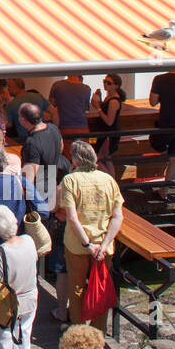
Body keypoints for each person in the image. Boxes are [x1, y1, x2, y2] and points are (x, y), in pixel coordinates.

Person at [61, 140, 123, 331]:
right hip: (103, 245)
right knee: (100, 289)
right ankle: (98, 333)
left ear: (75, 160)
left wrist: (88, 244)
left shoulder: (70, 181)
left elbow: (72, 218)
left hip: (78, 244)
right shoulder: (108, 180)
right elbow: (117, 216)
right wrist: (103, 245)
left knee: (77, 288)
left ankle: (79, 330)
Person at [18, 102, 71, 320]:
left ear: (23, 121)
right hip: (59, 185)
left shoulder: (31, 143)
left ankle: (33, 287)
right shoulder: (53, 129)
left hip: (44, 197)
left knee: (40, 245)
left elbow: (30, 177)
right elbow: (59, 150)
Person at [0, 204, 38, 349]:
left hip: (8, 304)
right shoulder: (29, 240)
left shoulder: (0, 252)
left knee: (4, 347)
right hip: (30, 299)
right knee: (24, 344)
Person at [89, 73, 125, 178]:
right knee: (106, 159)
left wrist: (98, 108)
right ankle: (112, 184)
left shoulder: (113, 101)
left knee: (97, 159)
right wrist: (98, 102)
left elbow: (109, 121)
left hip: (109, 134)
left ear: (116, 86)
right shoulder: (109, 97)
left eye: (109, 83)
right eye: (104, 81)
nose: (106, 84)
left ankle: (110, 181)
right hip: (106, 133)